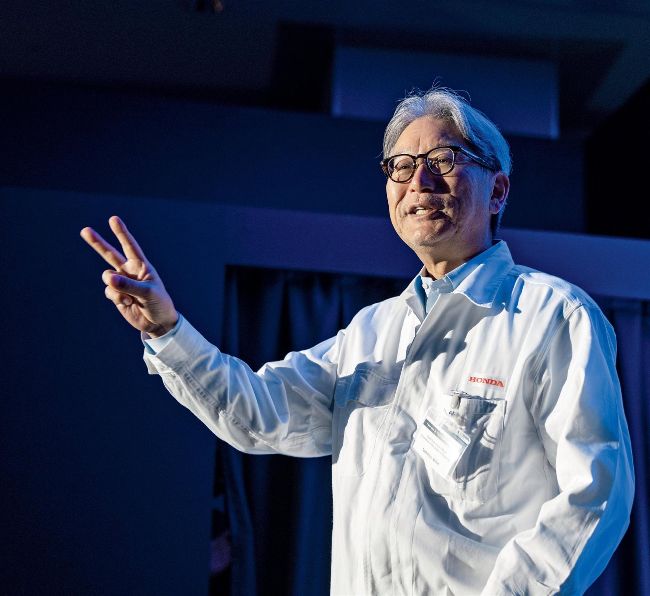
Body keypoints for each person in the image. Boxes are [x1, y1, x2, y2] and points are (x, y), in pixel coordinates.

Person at [81, 88, 634, 595]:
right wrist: (167, 330)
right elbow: (258, 415)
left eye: (444, 160)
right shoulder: (371, 332)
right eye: (402, 166)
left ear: (498, 190)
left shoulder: (553, 316)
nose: (419, 182)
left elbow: (595, 495)